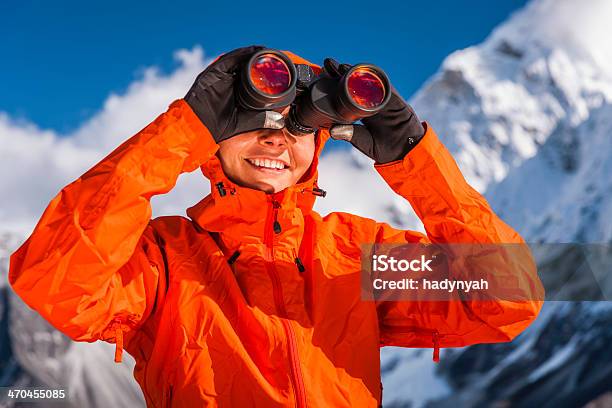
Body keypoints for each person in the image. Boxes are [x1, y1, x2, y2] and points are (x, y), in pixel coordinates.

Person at [9, 46, 543, 407]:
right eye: (252, 121)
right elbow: (54, 281)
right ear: (212, 138)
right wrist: (179, 129)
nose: (276, 139)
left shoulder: (358, 254)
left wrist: (412, 156)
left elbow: (507, 295)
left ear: (319, 144)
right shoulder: (163, 259)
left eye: (299, 126)